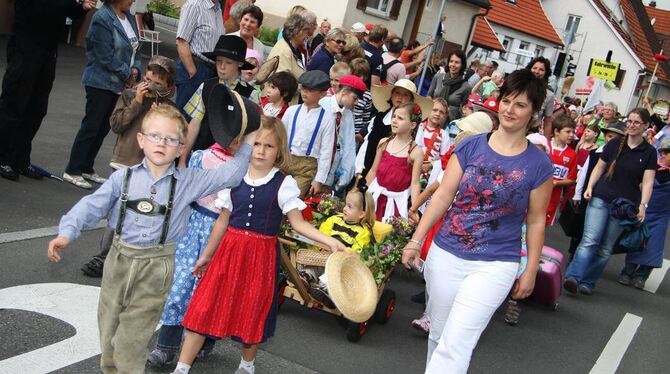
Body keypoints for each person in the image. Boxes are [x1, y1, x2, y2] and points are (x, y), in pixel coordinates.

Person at [48, 102, 259, 373]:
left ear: (182, 148)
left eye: (171, 139)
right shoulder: (121, 178)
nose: (162, 143)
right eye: (155, 136)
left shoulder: (188, 181)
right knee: (109, 330)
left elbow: (230, 173)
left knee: (132, 338)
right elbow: (92, 205)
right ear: (141, 140)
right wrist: (67, 232)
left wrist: (250, 137)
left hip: (156, 266)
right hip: (119, 260)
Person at [402, 69, 554, 374]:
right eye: (506, 101)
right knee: (440, 335)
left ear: (534, 112)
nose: (510, 109)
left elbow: (536, 221)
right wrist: (416, 239)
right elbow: (443, 196)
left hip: (495, 263)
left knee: (458, 340)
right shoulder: (470, 146)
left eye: (521, 105)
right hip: (446, 254)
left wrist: (531, 270)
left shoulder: (539, 165)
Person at [170, 117, 345, 374]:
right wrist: (206, 256)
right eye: (256, 144)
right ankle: (182, 368)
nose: (261, 151)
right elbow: (222, 220)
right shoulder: (234, 175)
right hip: (228, 253)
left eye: (269, 146)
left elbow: (298, 224)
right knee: (204, 307)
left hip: (260, 257)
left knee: (252, 312)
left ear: (279, 151)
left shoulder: (283, 184)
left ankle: (246, 365)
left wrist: (329, 240)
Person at [80, 55, 178, 277]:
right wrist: (136, 103)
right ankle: (103, 256)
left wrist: (159, 117)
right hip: (124, 162)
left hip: (151, 169)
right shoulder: (129, 95)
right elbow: (116, 124)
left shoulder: (168, 108)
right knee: (117, 211)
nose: (150, 85)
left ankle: (129, 258)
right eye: (148, 79)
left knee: (140, 213)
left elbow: (171, 139)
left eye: (158, 83)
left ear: (168, 88)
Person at [148, 138, 242, 367]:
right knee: (178, 288)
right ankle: (166, 347)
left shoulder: (243, 168)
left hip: (223, 233)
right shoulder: (202, 156)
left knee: (210, 293)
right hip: (193, 227)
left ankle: (205, 342)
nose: (235, 139)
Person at [564, 108, 657, 295]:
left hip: (624, 206)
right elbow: (599, 167)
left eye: (636, 122)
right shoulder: (615, 144)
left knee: (606, 248)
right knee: (590, 240)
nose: (631, 125)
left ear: (646, 126)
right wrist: (589, 187)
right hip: (601, 196)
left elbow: (647, 182)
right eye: (629, 121)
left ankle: (588, 282)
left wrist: (643, 205)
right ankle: (573, 277)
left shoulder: (649, 152)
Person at [0, 0, 95, 181]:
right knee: (14, 104)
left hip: (48, 50)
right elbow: (43, 8)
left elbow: (67, 10)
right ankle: (3, 156)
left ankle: (20, 159)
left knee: (37, 109)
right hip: (25, 47)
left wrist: (81, 8)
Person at [63, 0, 141, 189]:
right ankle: (73, 169)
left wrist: (136, 68)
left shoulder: (129, 17)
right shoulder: (102, 18)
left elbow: (136, 49)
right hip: (100, 82)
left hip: (120, 84)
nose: (133, 1)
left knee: (102, 128)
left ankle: (87, 167)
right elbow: (104, 55)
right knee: (91, 126)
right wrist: (127, 73)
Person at [180, 35, 257, 164]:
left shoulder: (251, 94)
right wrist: (182, 160)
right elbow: (194, 123)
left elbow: (252, 133)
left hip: (230, 162)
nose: (222, 66)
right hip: (201, 157)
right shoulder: (206, 86)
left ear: (240, 64)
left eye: (228, 63)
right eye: (219, 61)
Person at [569, 121, 626, 261]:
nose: (610, 140)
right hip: (589, 195)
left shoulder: (624, 157)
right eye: (609, 136)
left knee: (600, 235)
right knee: (581, 230)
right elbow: (583, 174)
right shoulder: (595, 153)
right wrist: (578, 193)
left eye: (615, 137)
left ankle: (589, 260)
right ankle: (574, 256)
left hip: (609, 198)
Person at [619, 137, 670, 289]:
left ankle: (641, 276)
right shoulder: (651, 168)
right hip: (643, 210)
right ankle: (627, 272)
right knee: (636, 241)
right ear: (663, 153)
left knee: (654, 247)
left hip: (662, 216)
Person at [357, 79, 432, 176]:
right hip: (368, 169)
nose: (400, 97)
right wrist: (358, 169)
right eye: (397, 93)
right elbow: (366, 144)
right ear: (391, 96)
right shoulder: (378, 118)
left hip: (392, 175)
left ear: (411, 100)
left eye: (405, 95)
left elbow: (416, 152)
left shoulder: (414, 127)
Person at [281, 70, 336, 196]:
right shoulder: (291, 110)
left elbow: (326, 151)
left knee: (293, 198)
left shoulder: (327, 118)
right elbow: (280, 137)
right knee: (274, 195)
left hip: (307, 166)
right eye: (303, 88)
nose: (305, 92)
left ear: (322, 94)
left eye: (310, 90)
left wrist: (319, 180)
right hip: (286, 159)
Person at [366, 103, 424, 222]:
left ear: (412, 124)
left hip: (395, 203)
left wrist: (414, 208)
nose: (394, 120)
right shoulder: (384, 143)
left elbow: (415, 183)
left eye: (400, 118)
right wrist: (361, 191)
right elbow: (373, 170)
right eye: (394, 116)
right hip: (374, 198)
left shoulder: (415, 152)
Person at [174, 0, 224, 119]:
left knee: (199, 122)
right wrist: (193, 73)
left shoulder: (217, 8)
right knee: (183, 120)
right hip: (195, 68)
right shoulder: (194, 5)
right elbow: (181, 41)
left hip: (211, 72)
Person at [320, 75, 366, 194]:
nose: (355, 103)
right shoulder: (323, 105)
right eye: (354, 98)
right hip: (316, 164)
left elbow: (349, 145)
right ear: (344, 91)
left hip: (333, 168)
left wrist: (344, 177)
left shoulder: (348, 115)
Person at [546, 113, 578, 225]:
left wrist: (555, 183)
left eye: (573, 132)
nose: (571, 135)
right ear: (556, 132)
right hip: (534, 193)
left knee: (542, 225)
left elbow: (571, 179)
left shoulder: (572, 154)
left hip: (553, 198)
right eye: (568, 131)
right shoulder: (544, 146)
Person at [267, 14, 310, 96]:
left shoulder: (293, 49)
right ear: (296, 32)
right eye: (305, 32)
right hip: (278, 102)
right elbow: (282, 82)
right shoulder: (284, 50)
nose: (307, 36)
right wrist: (305, 88)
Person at [428, 50, 471, 121]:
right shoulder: (438, 77)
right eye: (451, 61)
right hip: (433, 118)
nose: (453, 65)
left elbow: (464, 110)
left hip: (449, 123)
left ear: (462, 65)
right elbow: (429, 96)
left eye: (457, 62)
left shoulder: (466, 87)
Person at [415, 98, 449, 178]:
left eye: (441, 112)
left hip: (428, 174)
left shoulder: (444, 135)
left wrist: (430, 165)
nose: (437, 114)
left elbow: (444, 158)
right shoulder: (417, 127)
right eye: (434, 110)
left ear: (445, 116)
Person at [526, 57, 554, 139]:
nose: (537, 71)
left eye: (541, 69)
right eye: (534, 68)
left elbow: (548, 122)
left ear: (546, 73)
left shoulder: (549, 95)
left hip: (531, 133)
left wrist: (547, 142)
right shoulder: (519, 87)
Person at [350, 58, 374, 145]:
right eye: (358, 75)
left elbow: (366, 117)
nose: (361, 78)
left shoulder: (367, 95)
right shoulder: (345, 90)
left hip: (356, 133)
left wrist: (361, 134)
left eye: (364, 75)